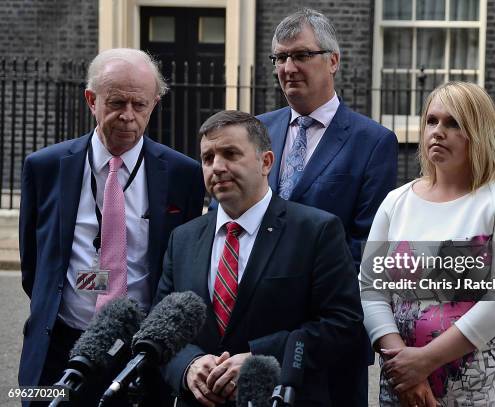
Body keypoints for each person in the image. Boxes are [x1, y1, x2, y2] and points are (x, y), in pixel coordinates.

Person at [18, 48, 205, 403]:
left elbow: (181, 266)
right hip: (58, 352)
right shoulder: (44, 167)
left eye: (140, 105)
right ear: (92, 100)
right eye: (117, 103)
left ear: (154, 103)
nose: (128, 116)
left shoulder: (184, 175)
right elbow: (34, 265)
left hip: (140, 355)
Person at [155, 110, 363, 406]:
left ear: (266, 162)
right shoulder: (183, 239)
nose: (217, 167)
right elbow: (162, 327)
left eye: (230, 153)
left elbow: (344, 326)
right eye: (207, 158)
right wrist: (188, 366)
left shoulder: (316, 231)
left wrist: (259, 360)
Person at [359, 82, 495, 406]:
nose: (437, 131)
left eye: (453, 123)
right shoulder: (396, 202)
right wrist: (402, 363)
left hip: (481, 390)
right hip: (403, 388)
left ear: (478, 132)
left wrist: (425, 360)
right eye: (431, 121)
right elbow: (371, 287)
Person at [257, 9, 398, 405]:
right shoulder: (257, 130)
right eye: (280, 58)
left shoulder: (373, 141)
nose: (288, 67)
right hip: (258, 331)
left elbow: (367, 244)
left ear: (332, 61)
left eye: (301, 55)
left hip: (329, 331)